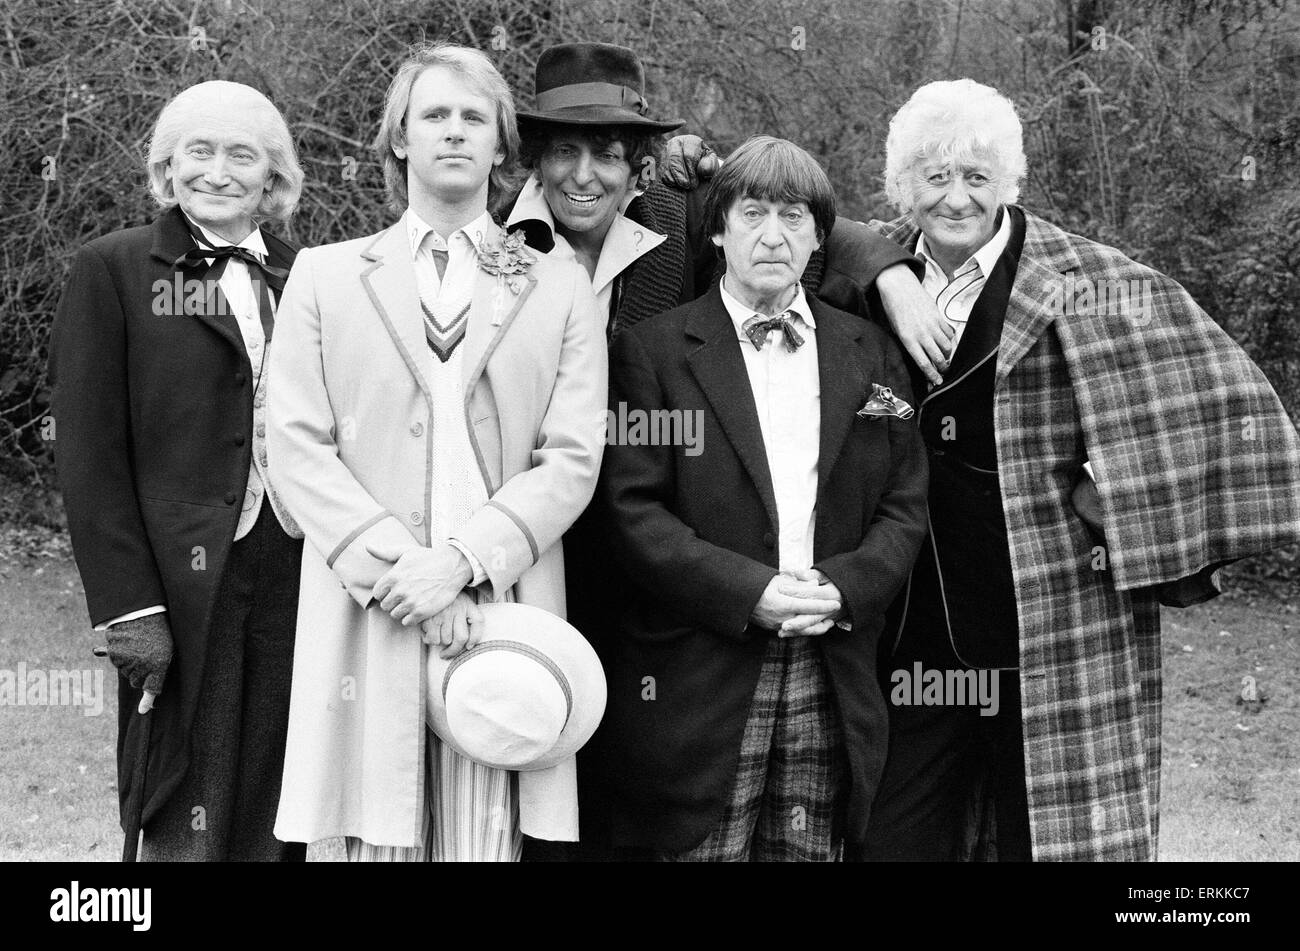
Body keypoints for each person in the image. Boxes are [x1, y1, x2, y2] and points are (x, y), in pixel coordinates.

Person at [827, 79, 1300, 861]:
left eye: (976, 177)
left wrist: (1127, 488)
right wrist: (883, 272)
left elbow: (1219, 399)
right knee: (892, 844)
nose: (954, 199)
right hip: (907, 647)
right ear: (901, 183)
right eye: (934, 177)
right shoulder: (861, 273)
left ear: (1008, 183)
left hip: (1052, 634)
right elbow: (772, 210)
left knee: (1053, 847)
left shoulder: (1091, 279)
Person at [267, 42, 606, 862]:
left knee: (481, 836)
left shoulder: (552, 281)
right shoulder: (326, 275)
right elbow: (296, 447)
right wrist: (407, 575)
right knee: (366, 832)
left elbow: (571, 458)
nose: (454, 132)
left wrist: (461, 562)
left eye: (473, 117)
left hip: (501, 605)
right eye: (434, 116)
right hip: (367, 606)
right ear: (399, 140)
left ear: (500, 146)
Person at [594, 135, 928, 861]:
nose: (773, 235)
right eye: (752, 214)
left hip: (831, 666)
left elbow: (905, 503)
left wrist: (842, 590)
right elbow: (632, 512)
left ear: (818, 237)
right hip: (700, 675)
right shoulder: (650, 352)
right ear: (717, 228)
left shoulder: (871, 351)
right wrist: (750, 592)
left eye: (793, 216)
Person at [48, 80, 307, 861]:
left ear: (274, 178)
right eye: (199, 151)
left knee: (277, 794)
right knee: (181, 796)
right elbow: (88, 455)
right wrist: (130, 610)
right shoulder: (115, 269)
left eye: (242, 154)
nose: (218, 172)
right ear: (168, 166)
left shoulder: (311, 278)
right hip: (178, 579)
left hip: (294, 565)